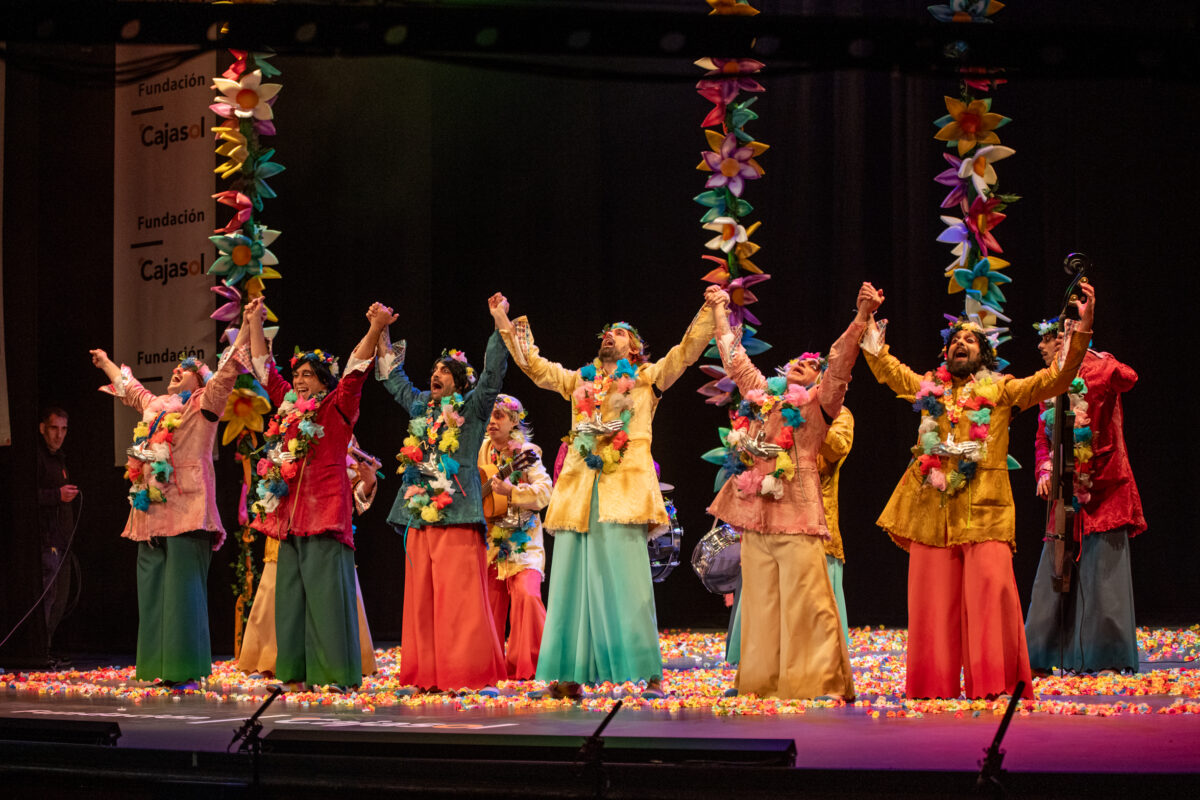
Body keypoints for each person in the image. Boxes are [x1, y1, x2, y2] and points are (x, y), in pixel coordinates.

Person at [860, 282, 1097, 699]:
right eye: (955, 340)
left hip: (985, 509)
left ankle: (995, 684)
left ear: (983, 354)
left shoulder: (1001, 390)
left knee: (990, 598)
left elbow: (1056, 378)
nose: (961, 344)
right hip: (930, 511)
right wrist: (867, 323)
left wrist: (1083, 327)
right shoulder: (929, 387)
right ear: (945, 353)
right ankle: (932, 687)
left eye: (970, 339)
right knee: (931, 605)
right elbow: (888, 371)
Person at [491, 291, 718, 699]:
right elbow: (537, 369)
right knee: (572, 586)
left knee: (629, 584)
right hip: (580, 494)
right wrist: (505, 323)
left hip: (625, 494)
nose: (609, 336)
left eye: (619, 333)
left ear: (635, 348)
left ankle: (649, 675)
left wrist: (710, 310)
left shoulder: (648, 379)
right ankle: (568, 677)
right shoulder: (580, 381)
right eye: (607, 332)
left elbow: (685, 353)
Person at [708, 283, 880, 700]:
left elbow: (840, 364)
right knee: (761, 606)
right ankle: (761, 684)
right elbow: (734, 359)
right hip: (755, 514)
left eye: (810, 364)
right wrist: (718, 309)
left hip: (798, 513)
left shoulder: (820, 405)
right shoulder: (763, 399)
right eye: (795, 363)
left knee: (807, 602)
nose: (801, 364)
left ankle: (818, 683)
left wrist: (860, 318)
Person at [247, 298, 393, 692]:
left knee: (327, 604)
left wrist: (376, 328)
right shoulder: (288, 407)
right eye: (298, 373)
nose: (299, 380)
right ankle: (293, 675)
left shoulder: (337, 406)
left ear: (325, 382)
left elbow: (357, 369)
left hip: (326, 516)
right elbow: (265, 370)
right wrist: (255, 322)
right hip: (289, 521)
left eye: (309, 374)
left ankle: (332, 677)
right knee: (289, 605)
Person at [90, 325, 247, 688]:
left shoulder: (205, 406)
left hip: (188, 509)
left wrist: (245, 330)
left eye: (188, 366)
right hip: (150, 512)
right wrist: (106, 363)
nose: (179, 368)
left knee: (182, 594)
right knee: (152, 592)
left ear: (201, 379)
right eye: (178, 365)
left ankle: (184, 669)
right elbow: (131, 391)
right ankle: (154, 667)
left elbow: (226, 373)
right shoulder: (157, 407)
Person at [376, 295, 510, 695]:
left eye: (445, 371)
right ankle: (426, 675)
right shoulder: (421, 407)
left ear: (460, 382)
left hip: (458, 510)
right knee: (421, 598)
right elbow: (391, 377)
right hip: (420, 510)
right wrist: (381, 331)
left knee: (460, 597)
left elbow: (492, 375)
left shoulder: (472, 407)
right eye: (434, 369)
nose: (436, 374)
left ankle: (467, 673)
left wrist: (498, 321)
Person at [1024, 317, 1145, 674]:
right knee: (1054, 573)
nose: (1042, 351)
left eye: (1046, 343)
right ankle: (1042, 658)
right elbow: (1042, 440)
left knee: (1103, 575)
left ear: (1062, 340)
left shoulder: (1097, 367)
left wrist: (1088, 349)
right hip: (1064, 489)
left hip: (1104, 486)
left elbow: (1129, 378)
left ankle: (1105, 656)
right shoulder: (1048, 384)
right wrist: (1044, 469)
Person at [237, 437, 382, 678]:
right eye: (302, 394)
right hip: (288, 525)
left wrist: (368, 483)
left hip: (323, 526)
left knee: (326, 595)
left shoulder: (341, 433)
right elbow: (272, 473)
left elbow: (355, 490)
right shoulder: (286, 426)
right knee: (278, 589)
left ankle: (331, 661)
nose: (307, 396)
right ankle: (270, 659)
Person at [478, 394, 552, 680]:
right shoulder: (479, 449)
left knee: (527, 596)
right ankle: (490, 668)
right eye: (490, 415)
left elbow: (546, 493)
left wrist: (513, 492)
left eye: (499, 416)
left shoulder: (526, 451)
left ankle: (531, 666)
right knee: (489, 606)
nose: (492, 421)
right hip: (489, 543)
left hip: (524, 542)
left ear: (514, 421)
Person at [36, 407, 78, 666]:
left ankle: (48, 648)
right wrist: (57, 495)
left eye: (63, 429)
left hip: (63, 542)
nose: (58, 434)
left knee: (60, 598)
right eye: (54, 428)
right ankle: (40, 650)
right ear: (42, 428)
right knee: (47, 597)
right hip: (47, 541)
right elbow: (24, 496)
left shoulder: (59, 458)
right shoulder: (37, 459)